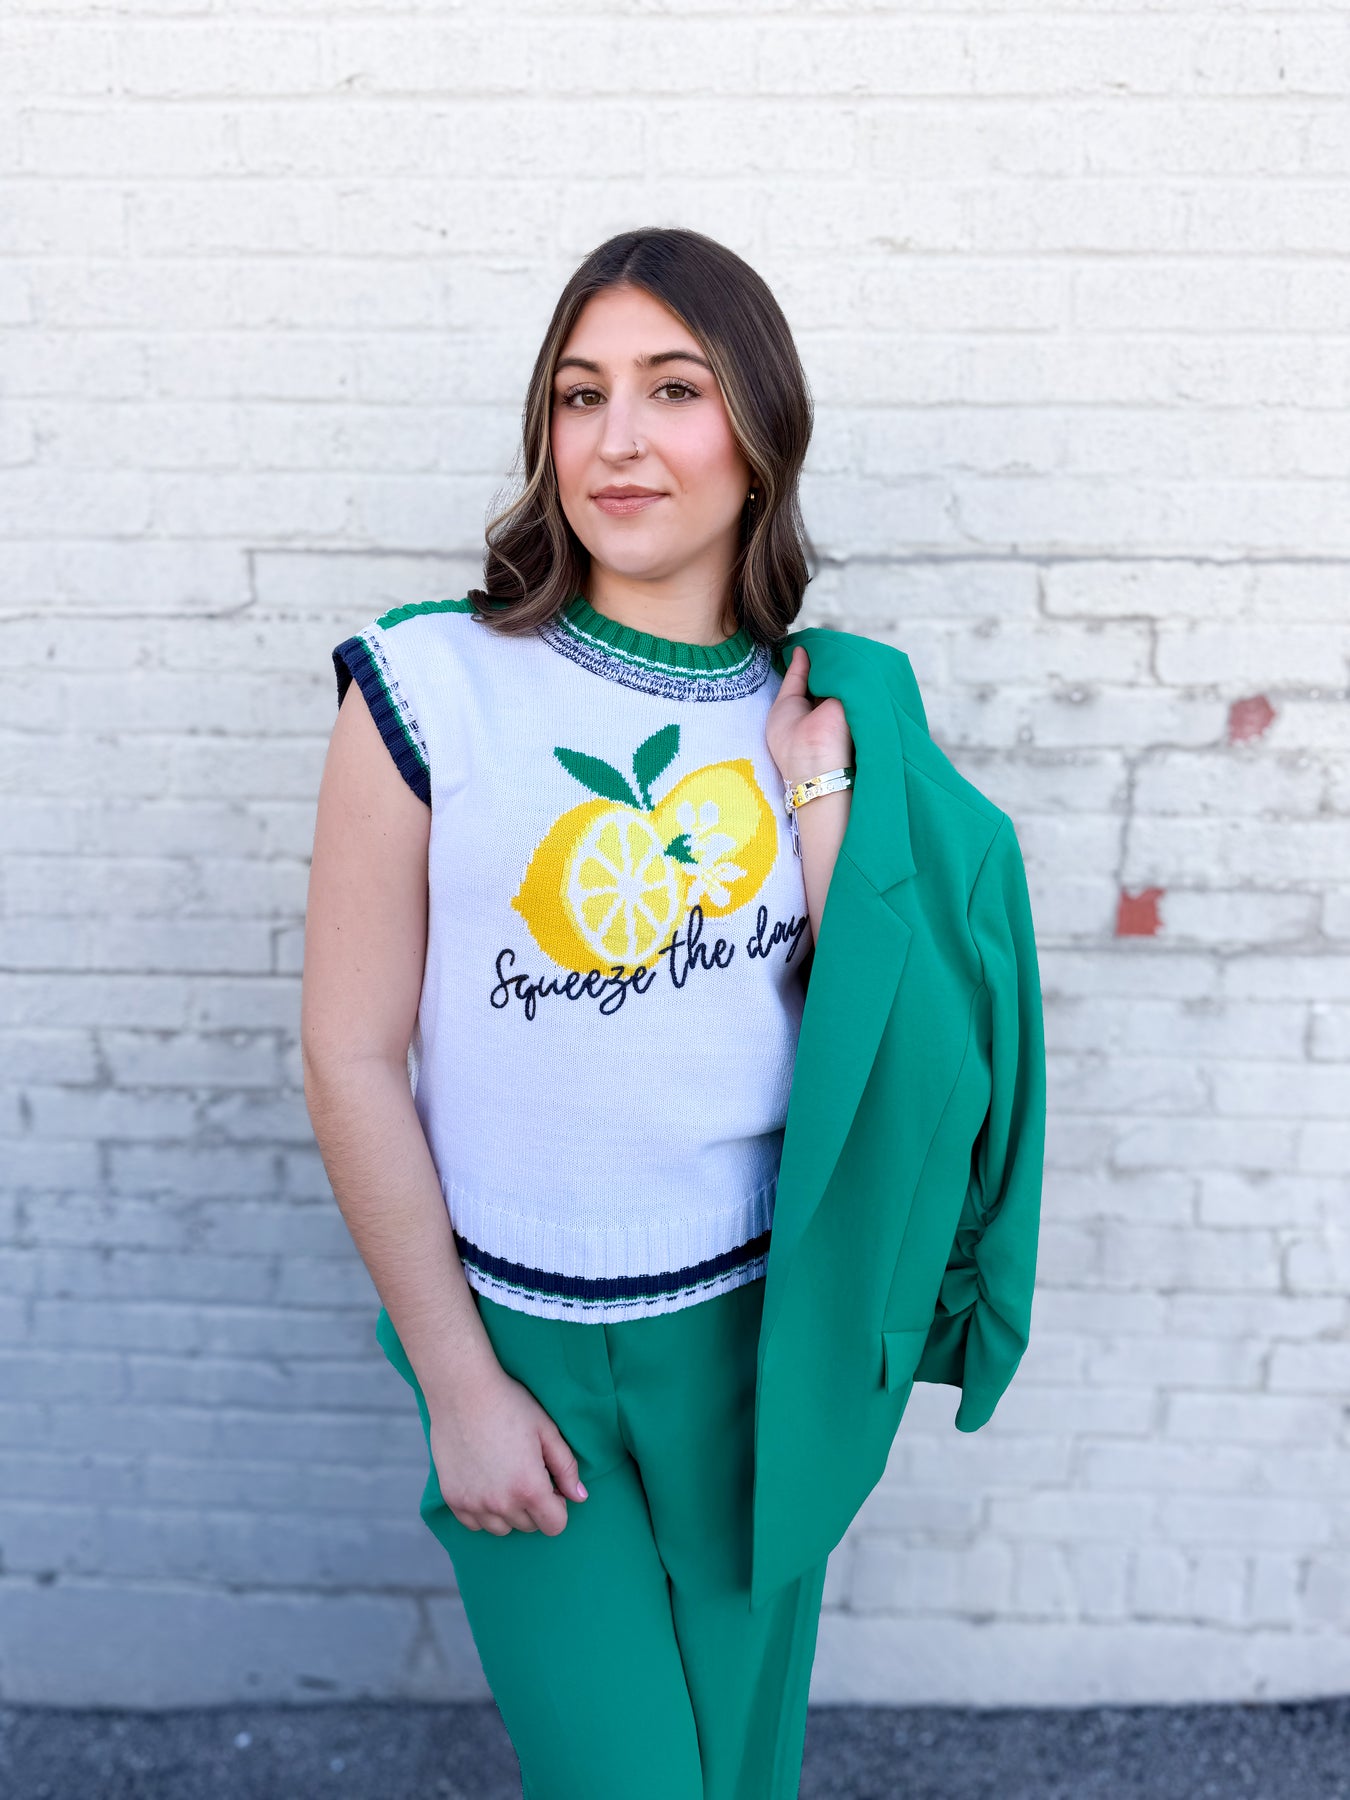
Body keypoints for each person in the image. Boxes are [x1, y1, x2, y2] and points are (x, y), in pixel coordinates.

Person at [301, 227, 864, 1800]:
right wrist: (456, 1385)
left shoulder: (817, 716)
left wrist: (818, 792)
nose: (617, 438)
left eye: (673, 389)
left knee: (739, 1779)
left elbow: (876, 1058)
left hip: (751, 1344)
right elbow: (349, 1056)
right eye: (579, 393)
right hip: (518, 1349)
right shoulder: (425, 684)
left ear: (758, 435)